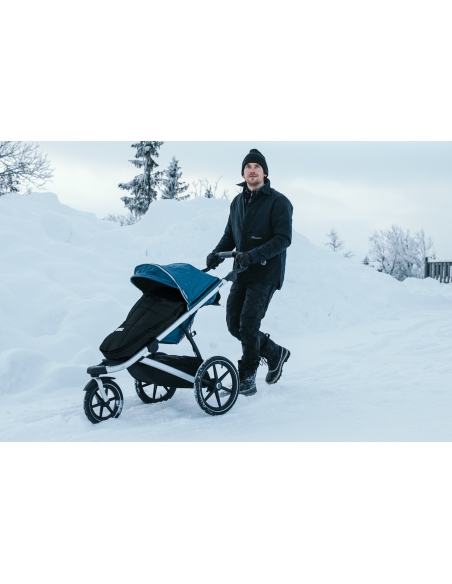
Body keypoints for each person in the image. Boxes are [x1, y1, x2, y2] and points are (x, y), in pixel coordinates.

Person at [206, 148, 293, 396]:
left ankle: (247, 378)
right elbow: (230, 235)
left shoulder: (279, 202)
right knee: (234, 324)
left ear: (265, 173)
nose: (252, 171)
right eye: (248, 167)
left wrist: (253, 255)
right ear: (243, 173)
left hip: (266, 273)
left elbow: (283, 239)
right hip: (242, 272)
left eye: (257, 167)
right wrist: (216, 254)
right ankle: (274, 352)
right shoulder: (237, 202)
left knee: (248, 324)